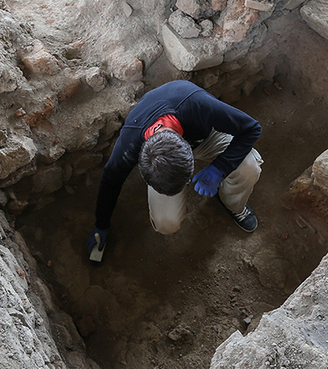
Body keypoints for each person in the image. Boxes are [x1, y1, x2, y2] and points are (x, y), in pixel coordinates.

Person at [86, 80, 263, 259]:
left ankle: (233, 203)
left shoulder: (199, 106)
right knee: (166, 223)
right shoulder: (130, 142)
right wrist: (101, 224)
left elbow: (252, 129)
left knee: (248, 167)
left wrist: (220, 167)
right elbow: (111, 178)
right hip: (169, 149)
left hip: (205, 135)